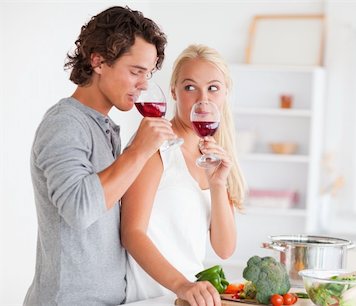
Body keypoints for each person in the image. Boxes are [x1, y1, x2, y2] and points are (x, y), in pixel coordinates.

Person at [24, 6, 176, 305]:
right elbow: (79, 210)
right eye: (136, 71)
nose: (144, 84)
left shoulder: (103, 127)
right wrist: (138, 151)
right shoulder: (64, 124)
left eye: (148, 73)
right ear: (99, 61)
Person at [121, 44, 246, 305]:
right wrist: (182, 286)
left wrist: (217, 183)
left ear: (226, 93)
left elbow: (225, 249)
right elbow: (132, 232)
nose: (203, 99)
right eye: (190, 87)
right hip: (153, 298)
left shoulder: (214, 157)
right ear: (173, 92)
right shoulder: (157, 146)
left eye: (213, 88)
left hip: (191, 299)